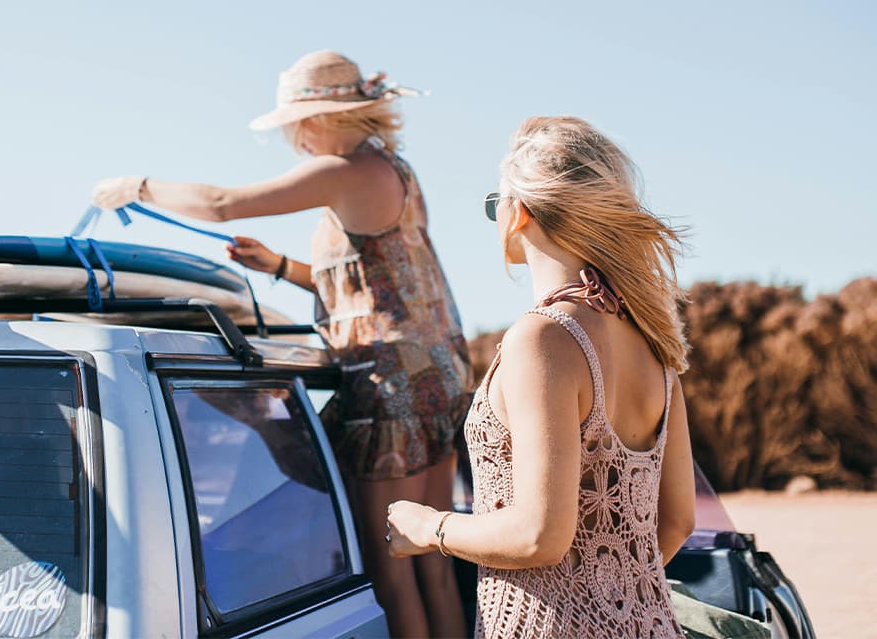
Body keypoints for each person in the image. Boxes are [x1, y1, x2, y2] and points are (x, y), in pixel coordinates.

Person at [92, 50, 472, 638]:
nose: (294, 138)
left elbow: (224, 205)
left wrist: (135, 187)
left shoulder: (339, 171)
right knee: (432, 566)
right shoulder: (392, 170)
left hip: (392, 384)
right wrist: (276, 266)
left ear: (316, 118)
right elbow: (376, 282)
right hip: (439, 371)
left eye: (296, 124)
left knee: (390, 568)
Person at [386, 116, 697, 638]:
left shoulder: (543, 339)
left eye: (496, 203)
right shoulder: (654, 344)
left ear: (519, 213)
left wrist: (428, 527)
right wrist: (608, 598)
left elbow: (538, 536)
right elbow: (677, 523)